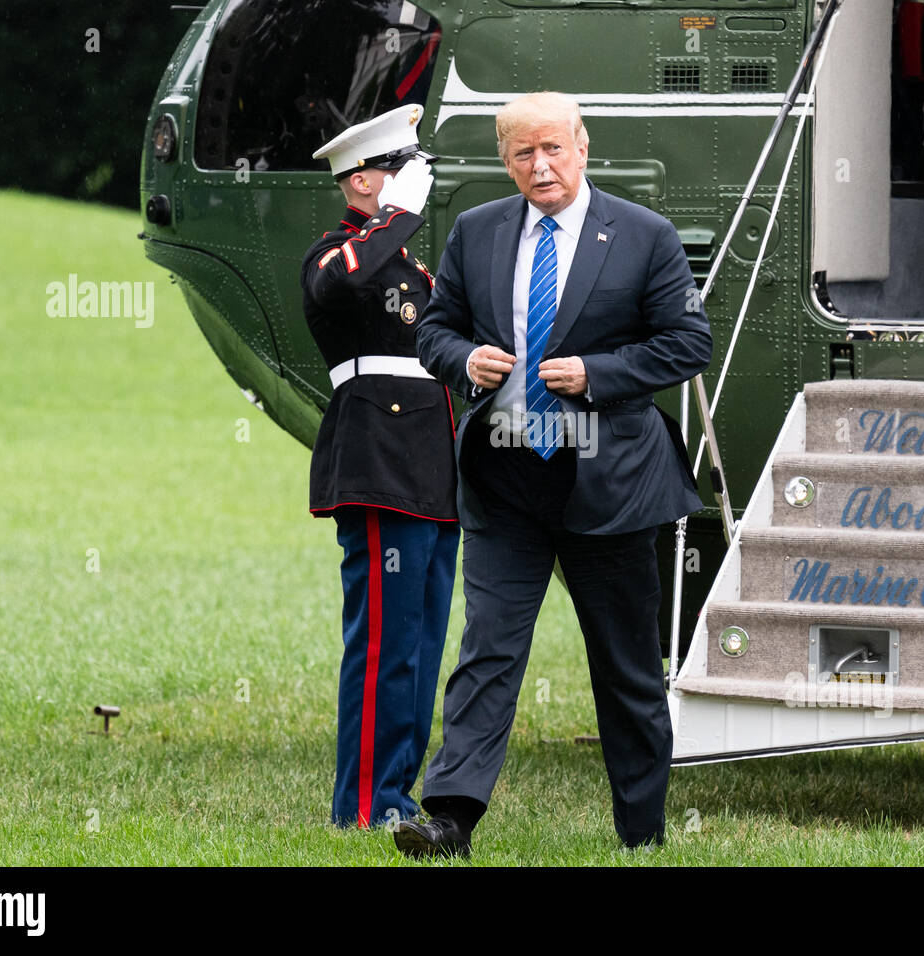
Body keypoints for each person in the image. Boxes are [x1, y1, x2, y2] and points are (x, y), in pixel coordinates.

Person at [395, 91, 712, 856]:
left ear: (582, 146)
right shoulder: (476, 232)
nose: (540, 166)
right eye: (522, 154)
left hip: (608, 485)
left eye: (553, 149)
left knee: (627, 669)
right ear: (505, 161)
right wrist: (463, 359)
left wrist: (597, 373)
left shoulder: (643, 235)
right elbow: (434, 331)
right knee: (489, 651)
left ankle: (641, 833)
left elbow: (687, 342)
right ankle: (450, 819)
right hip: (506, 480)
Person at [300, 104, 459, 829]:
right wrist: (395, 216)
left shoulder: (410, 266)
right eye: (399, 170)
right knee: (384, 646)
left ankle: (397, 791)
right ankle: (364, 807)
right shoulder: (336, 255)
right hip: (379, 463)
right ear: (362, 181)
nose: (413, 183)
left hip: (430, 471)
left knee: (421, 646)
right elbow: (344, 283)